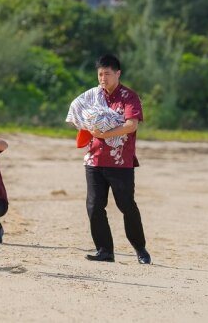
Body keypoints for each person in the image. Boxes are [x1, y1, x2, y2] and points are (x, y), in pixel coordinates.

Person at [71, 54, 151, 264]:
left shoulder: (129, 97)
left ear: (118, 73)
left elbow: (131, 125)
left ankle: (140, 248)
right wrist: (88, 128)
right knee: (94, 206)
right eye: (100, 74)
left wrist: (103, 134)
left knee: (126, 205)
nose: (103, 78)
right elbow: (79, 113)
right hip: (94, 159)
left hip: (120, 162)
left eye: (107, 73)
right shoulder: (93, 96)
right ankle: (105, 250)